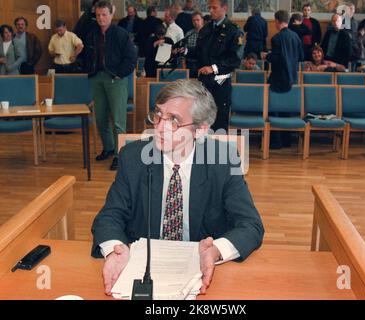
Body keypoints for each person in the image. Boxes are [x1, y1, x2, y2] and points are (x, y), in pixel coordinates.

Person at [91, 79, 265, 296]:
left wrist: (216, 251)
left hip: (200, 274)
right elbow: (109, 217)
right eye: (158, 115)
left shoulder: (223, 160)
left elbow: (250, 225)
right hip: (143, 269)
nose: (161, 128)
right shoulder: (133, 157)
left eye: (174, 120)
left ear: (200, 130)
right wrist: (115, 250)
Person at [84, 0, 137, 171]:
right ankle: (108, 148)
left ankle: (119, 154)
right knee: (100, 118)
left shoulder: (121, 34)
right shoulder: (92, 34)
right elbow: (86, 55)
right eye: (98, 15)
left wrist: (119, 74)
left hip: (116, 80)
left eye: (104, 14)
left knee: (118, 121)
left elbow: (131, 58)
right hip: (97, 79)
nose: (101, 18)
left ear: (111, 14)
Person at [196, 0, 242, 132]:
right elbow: (200, 52)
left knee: (219, 120)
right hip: (204, 81)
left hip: (220, 81)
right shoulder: (206, 29)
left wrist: (214, 68)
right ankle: (202, 150)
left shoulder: (233, 30)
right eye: (209, 7)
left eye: (214, 8)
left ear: (224, 8)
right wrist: (185, 51)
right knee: (202, 118)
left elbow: (235, 59)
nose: (210, 11)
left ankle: (219, 151)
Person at [261, 10, 303, 93]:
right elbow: (301, 57)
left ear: (277, 21)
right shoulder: (296, 36)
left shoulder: (276, 38)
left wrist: (267, 56)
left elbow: (275, 58)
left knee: (269, 97)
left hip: (279, 79)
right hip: (293, 78)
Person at [184, 11, 204, 78]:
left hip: (203, 64)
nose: (196, 22)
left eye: (198, 20)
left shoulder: (208, 33)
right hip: (190, 64)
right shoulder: (188, 34)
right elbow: (185, 49)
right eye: (194, 20)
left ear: (202, 20)